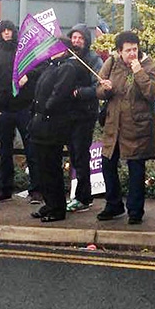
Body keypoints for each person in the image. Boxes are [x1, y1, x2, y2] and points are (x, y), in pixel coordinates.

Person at [95, 31, 155, 224]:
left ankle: (135, 210)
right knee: (107, 164)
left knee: (136, 168)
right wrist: (104, 89)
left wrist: (138, 71)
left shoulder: (148, 65)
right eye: (128, 50)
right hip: (114, 126)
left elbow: (152, 93)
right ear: (119, 51)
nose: (132, 53)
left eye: (135, 49)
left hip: (137, 126)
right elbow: (98, 90)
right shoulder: (112, 64)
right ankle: (113, 204)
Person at [0, 20, 41, 204]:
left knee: (31, 149)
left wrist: (29, 76)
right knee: (5, 152)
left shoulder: (23, 50)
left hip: (23, 106)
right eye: (3, 31)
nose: (6, 33)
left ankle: (36, 189)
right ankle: (4, 188)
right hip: (3, 109)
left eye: (9, 30)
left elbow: (39, 67)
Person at [28, 43, 78, 222]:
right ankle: (49, 203)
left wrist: (46, 108)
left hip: (53, 124)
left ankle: (57, 208)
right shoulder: (51, 66)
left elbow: (58, 94)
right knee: (43, 167)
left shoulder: (67, 68)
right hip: (41, 123)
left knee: (51, 168)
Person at [64, 24, 103, 213]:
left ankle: (83, 196)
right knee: (73, 155)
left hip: (85, 113)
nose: (76, 41)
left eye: (80, 38)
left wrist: (80, 92)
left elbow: (99, 86)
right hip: (68, 114)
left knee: (81, 155)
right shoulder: (67, 57)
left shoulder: (93, 59)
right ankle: (76, 193)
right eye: (74, 37)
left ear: (86, 40)